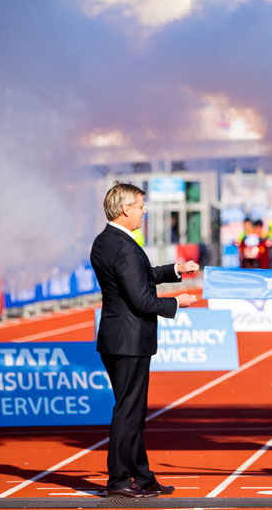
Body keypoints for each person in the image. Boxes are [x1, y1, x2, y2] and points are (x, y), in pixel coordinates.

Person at [91, 182, 198, 498]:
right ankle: (119, 480)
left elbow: (138, 275)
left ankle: (142, 475)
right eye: (139, 206)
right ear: (125, 209)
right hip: (129, 339)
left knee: (133, 410)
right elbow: (142, 300)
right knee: (128, 411)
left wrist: (174, 269)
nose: (143, 211)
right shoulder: (123, 246)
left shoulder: (106, 241)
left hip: (117, 337)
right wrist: (179, 302)